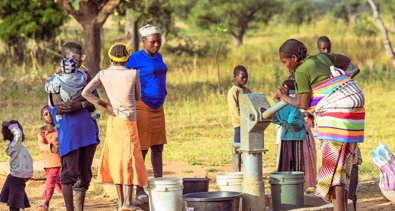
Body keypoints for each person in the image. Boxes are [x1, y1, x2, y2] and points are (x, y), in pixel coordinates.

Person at [276, 39, 365, 211]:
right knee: (343, 167)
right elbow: (347, 61)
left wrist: (283, 97)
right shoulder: (321, 58)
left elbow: (302, 103)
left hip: (334, 122)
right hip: (352, 119)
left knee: (334, 173)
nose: (285, 66)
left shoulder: (301, 71)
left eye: (285, 61)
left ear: (294, 57)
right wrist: (337, 87)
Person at [82, 43, 148, 211]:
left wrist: (105, 104)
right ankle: (128, 202)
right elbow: (138, 97)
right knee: (129, 159)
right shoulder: (134, 73)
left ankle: (120, 202)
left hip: (113, 121)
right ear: (127, 57)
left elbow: (85, 93)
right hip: (129, 122)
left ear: (110, 57)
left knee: (117, 159)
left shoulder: (103, 74)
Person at [46, 42, 99, 211]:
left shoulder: (84, 75)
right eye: (74, 56)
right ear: (64, 58)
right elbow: (60, 106)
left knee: (85, 174)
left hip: (88, 130)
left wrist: (79, 104)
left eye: (80, 56)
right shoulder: (56, 79)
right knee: (69, 173)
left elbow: (95, 100)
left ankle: (80, 208)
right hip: (70, 131)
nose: (78, 59)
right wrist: (83, 101)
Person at [317, 35, 362, 209]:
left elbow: (355, 68)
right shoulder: (320, 68)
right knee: (335, 172)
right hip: (331, 127)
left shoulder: (338, 65)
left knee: (348, 167)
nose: (326, 51)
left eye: (328, 48)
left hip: (347, 124)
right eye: (323, 49)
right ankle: (340, 204)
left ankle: (349, 203)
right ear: (318, 49)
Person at [125, 24, 167, 201]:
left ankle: (160, 184)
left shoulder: (159, 56)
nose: (156, 46)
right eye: (152, 42)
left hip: (158, 107)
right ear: (144, 41)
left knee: (158, 147)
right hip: (143, 106)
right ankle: (139, 188)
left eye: (158, 42)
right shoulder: (134, 59)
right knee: (142, 149)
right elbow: (124, 79)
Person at [45, 58, 99, 128]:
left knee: (58, 110)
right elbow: (94, 96)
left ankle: (58, 120)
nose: (79, 59)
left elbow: (54, 89)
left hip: (66, 99)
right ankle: (93, 114)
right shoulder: (81, 76)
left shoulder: (58, 79)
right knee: (91, 104)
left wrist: (47, 86)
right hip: (80, 96)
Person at [273, 80, 306, 172]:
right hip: (292, 136)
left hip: (291, 136)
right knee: (295, 163)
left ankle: (289, 183)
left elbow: (278, 118)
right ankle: (297, 184)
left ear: (286, 89)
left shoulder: (287, 102)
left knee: (288, 163)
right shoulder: (292, 101)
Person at [0, 120, 33, 211]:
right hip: (17, 177)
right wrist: (10, 125)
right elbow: (18, 134)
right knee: (14, 204)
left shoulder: (17, 146)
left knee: (14, 202)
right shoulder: (15, 145)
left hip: (17, 177)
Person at [226, 65, 251, 172]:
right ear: (235, 77)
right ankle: (236, 171)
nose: (245, 79)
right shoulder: (233, 92)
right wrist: (243, 122)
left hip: (249, 124)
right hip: (239, 125)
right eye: (242, 77)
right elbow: (234, 110)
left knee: (248, 150)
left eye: (246, 77)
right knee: (237, 149)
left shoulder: (247, 90)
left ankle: (247, 172)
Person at [37, 105, 62, 211]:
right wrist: (50, 148)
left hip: (57, 161)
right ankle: (67, 196)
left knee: (50, 182)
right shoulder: (42, 131)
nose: (49, 115)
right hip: (48, 161)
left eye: (51, 112)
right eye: (46, 114)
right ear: (42, 118)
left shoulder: (60, 128)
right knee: (57, 182)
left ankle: (46, 203)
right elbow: (41, 145)